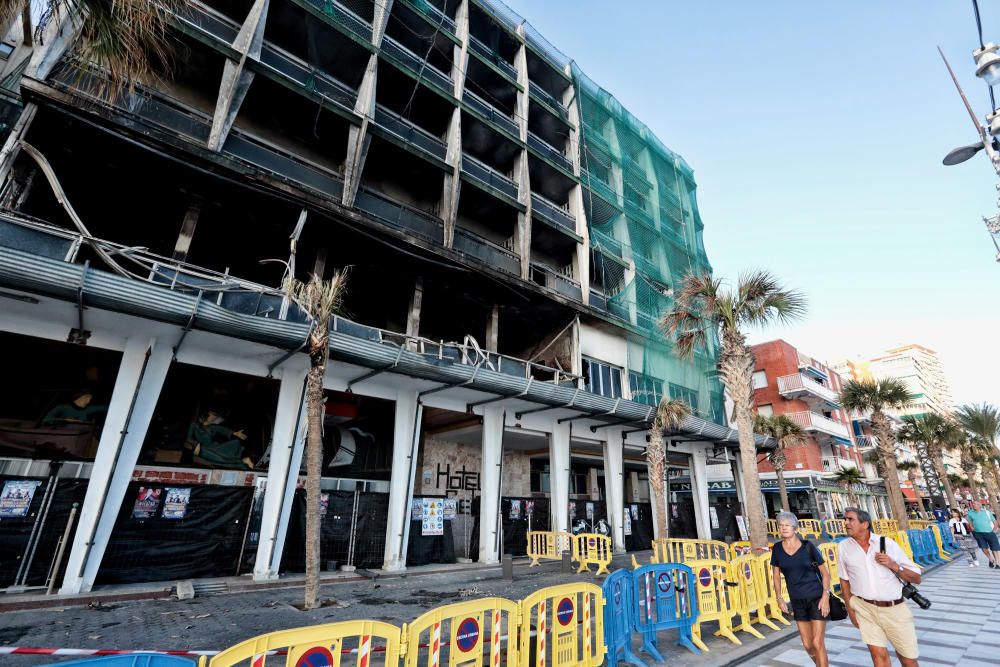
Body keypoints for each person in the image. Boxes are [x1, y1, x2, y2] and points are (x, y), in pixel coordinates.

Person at [838, 508, 921, 667]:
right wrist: (851, 610)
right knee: (878, 657)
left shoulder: (886, 544)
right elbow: (844, 581)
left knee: (908, 659)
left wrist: (893, 565)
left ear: (865, 524)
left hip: (894, 609)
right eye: (845, 519)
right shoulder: (843, 547)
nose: (846, 523)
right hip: (864, 608)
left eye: (850, 519)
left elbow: (917, 578)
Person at [770, 511, 830, 667]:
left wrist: (825, 597)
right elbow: (776, 576)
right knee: (808, 645)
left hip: (816, 597)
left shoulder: (807, 546)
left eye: (787, 525)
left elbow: (825, 573)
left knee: (817, 642)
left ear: (795, 528)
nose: (784, 528)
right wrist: (779, 598)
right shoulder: (776, 549)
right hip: (797, 600)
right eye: (781, 525)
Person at [965, 500, 1000, 568]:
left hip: (989, 533)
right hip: (978, 534)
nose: (973, 505)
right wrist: (972, 527)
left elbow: (995, 522)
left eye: (975, 504)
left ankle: (998, 563)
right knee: (984, 549)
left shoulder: (987, 512)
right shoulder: (970, 513)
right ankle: (990, 559)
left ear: (979, 505)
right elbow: (970, 522)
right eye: (973, 504)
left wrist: (994, 530)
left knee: (994, 548)